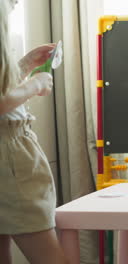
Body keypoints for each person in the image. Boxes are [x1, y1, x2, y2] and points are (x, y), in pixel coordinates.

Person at [0, 0, 68, 263]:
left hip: (10, 152)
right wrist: (34, 84)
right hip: (10, 158)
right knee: (48, 253)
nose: (17, 3)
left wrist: (25, 64)